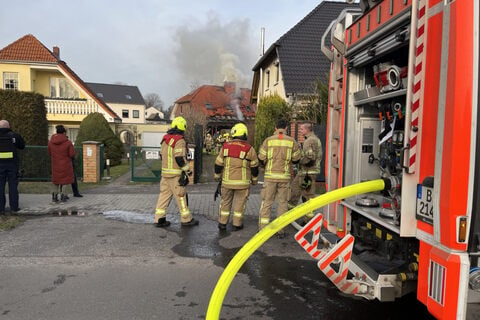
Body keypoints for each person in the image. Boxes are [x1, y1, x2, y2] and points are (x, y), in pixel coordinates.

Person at [257, 119, 301, 237]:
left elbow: (261, 158)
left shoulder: (268, 140)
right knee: (283, 203)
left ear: (275, 128)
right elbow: (297, 160)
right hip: (284, 178)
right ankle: (280, 230)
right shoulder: (292, 141)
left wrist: (265, 165)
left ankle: (263, 230)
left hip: (270, 177)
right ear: (286, 128)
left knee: (267, 202)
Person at [154, 116, 199, 227]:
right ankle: (186, 219)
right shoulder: (179, 140)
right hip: (175, 175)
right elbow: (179, 158)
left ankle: (159, 219)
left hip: (165, 174)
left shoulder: (164, 139)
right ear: (182, 128)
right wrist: (188, 171)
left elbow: (161, 155)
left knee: (164, 196)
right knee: (181, 196)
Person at [214, 122, 259, 231]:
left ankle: (222, 223)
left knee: (225, 203)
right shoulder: (249, 149)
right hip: (242, 184)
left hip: (227, 182)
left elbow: (218, 164)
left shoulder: (225, 147)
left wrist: (217, 176)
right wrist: (254, 180)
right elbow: (254, 167)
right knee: (240, 205)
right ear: (245, 134)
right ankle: (237, 224)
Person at [288, 122, 322, 221]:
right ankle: (290, 216)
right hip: (305, 172)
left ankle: (308, 220)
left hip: (308, 173)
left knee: (307, 195)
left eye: (302, 129)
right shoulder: (313, 139)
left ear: (307, 130)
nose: (300, 130)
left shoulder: (310, 141)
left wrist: (298, 161)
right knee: (295, 191)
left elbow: (309, 158)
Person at [0, 120, 25, 214]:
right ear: (8, 126)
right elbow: (22, 146)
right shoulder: (14, 135)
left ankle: (1, 209)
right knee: (13, 186)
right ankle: (14, 207)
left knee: (0, 187)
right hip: (12, 165)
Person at [48, 125, 75, 203]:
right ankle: (63, 196)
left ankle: (54, 196)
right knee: (65, 181)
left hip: (55, 164)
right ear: (64, 132)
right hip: (65, 164)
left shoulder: (51, 142)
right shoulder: (68, 143)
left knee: (55, 181)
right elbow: (72, 154)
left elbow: (49, 152)